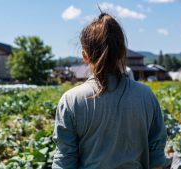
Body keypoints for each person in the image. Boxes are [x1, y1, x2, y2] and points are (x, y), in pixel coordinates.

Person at [52, 13, 167, 169]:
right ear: (121, 52)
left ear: (85, 55)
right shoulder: (146, 96)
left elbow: (65, 160)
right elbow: (157, 158)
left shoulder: (71, 100)